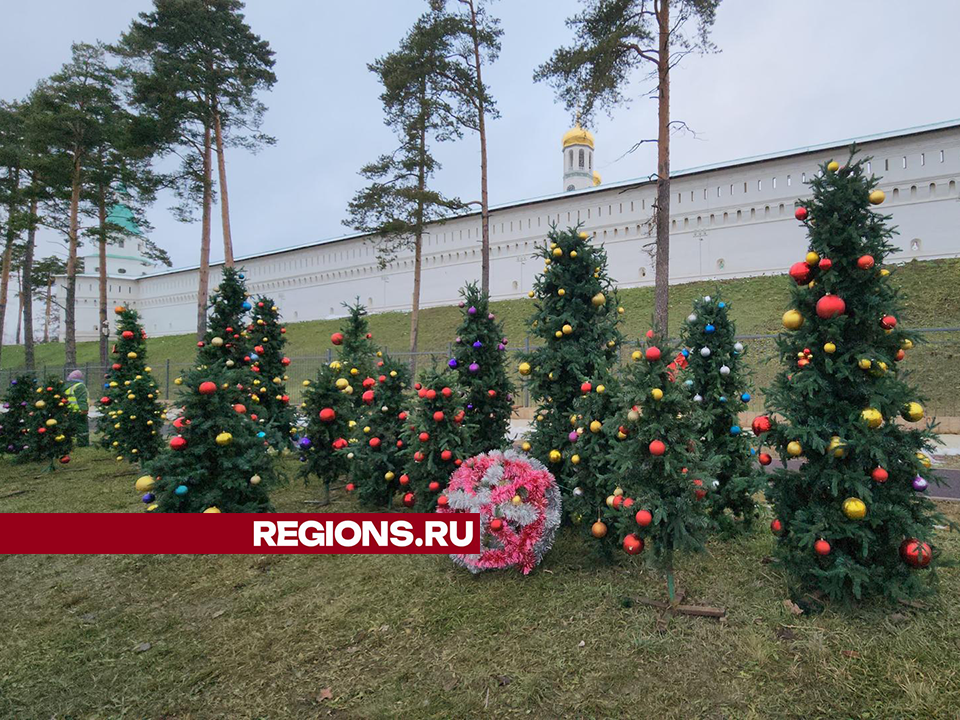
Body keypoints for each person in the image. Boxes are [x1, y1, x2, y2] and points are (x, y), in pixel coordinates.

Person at [65, 369, 90, 447]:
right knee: (82, 427)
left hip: (67, 411)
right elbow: (81, 399)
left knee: (68, 427)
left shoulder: (65, 386)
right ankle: (83, 443)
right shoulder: (79, 386)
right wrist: (84, 409)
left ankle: (67, 443)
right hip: (78, 411)